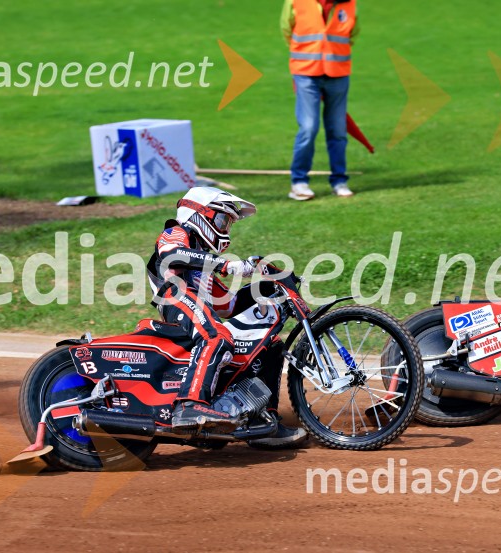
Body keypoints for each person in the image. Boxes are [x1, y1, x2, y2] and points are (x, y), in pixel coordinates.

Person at [147, 187, 307, 448]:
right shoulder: (176, 232)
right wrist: (226, 264)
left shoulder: (204, 270)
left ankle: (262, 421)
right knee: (216, 336)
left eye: (229, 223)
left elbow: (228, 305)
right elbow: (171, 254)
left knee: (271, 346)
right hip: (174, 298)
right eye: (223, 220)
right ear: (199, 215)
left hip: (198, 307)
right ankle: (190, 406)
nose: (227, 229)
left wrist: (265, 287)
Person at [281, 0, 357, 200]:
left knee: (338, 130)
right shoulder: (296, 1)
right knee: (308, 128)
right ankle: (299, 182)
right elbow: (286, 29)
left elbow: (352, 33)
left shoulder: (349, 4)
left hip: (338, 74)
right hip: (306, 72)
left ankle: (339, 181)